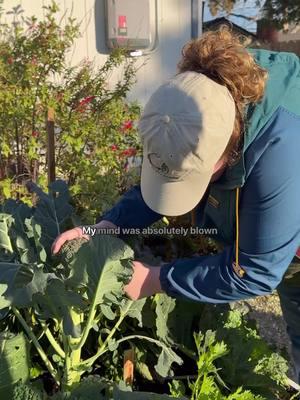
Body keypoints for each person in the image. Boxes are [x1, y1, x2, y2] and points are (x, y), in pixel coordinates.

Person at [52, 29, 300, 381]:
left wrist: (155, 279)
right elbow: (167, 173)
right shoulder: (198, 96)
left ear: (228, 151)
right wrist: (108, 226)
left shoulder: (282, 150)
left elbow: (256, 269)